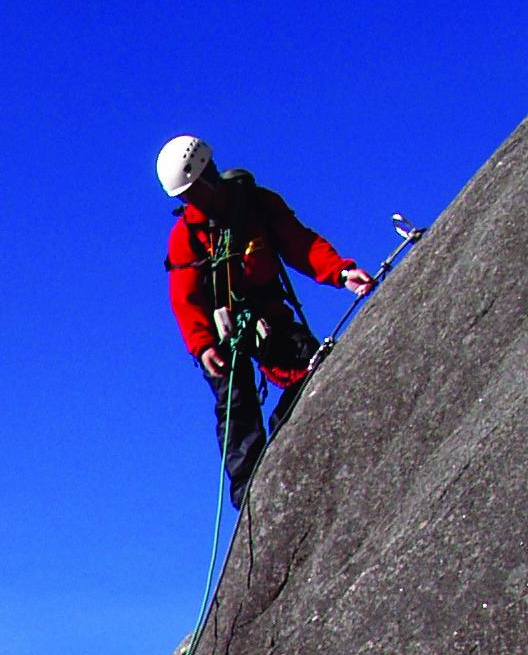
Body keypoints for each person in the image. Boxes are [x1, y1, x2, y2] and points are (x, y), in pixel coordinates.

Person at [156, 136, 372, 506]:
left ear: (207, 174)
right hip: (220, 334)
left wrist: (341, 272)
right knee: (234, 402)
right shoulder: (187, 235)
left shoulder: (257, 203)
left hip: (268, 315)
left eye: (192, 192)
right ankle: (249, 491)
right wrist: (202, 346)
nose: (190, 201)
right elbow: (185, 298)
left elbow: (300, 244)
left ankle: (286, 436)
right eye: (184, 196)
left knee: (312, 369)